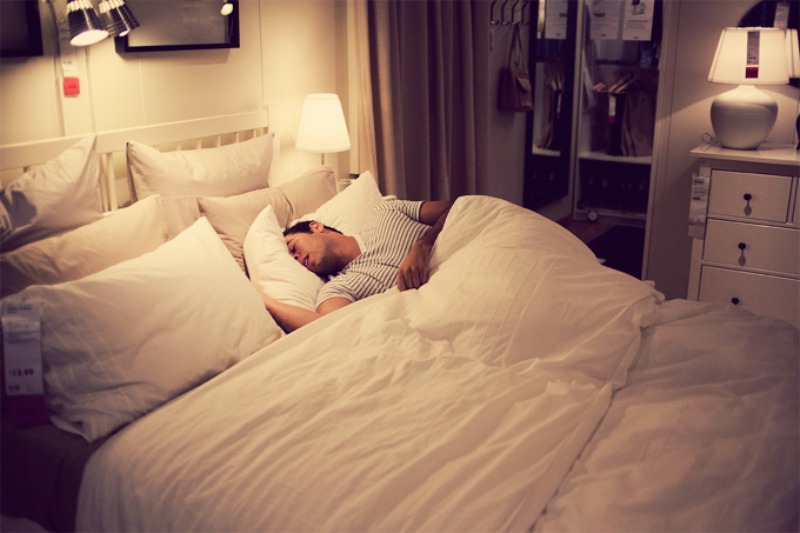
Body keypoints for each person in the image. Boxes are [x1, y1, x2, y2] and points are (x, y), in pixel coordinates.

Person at [261, 199, 452, 332]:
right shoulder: (338, 287)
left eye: (293, 247)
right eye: (292, 259)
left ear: (316, 226)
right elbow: (325, 327)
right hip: (441, 312)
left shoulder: (385, 212)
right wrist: (264, 301)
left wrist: (423, 245)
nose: (296, 258)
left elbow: (456, 208)